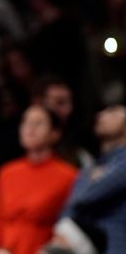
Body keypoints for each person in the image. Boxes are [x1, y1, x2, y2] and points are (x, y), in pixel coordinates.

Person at [0, 105, 78, 254]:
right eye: (26, 122)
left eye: (38, 123)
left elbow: (69, 227)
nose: (30, 129)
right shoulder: (6, 173)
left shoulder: (69, 176)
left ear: (55, 133)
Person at [59, 104, 126, 254]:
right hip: (88, 245)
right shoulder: (91, 166)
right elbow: (70, 207)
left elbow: (85, 197)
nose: (101, 116)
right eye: (102, 112)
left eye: (113, 113)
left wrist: (90, 181)